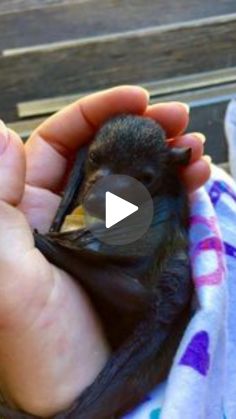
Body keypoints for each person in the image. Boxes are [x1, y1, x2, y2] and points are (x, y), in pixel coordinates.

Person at [0, 86, 210, 417]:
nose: (103, 181)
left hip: (145, 312)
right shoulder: (91, 178)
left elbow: (137, 293)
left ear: (160, 175)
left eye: (137, 177)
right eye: (96, 162)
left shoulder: (163, 208)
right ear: (88, 155)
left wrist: (48, 248)